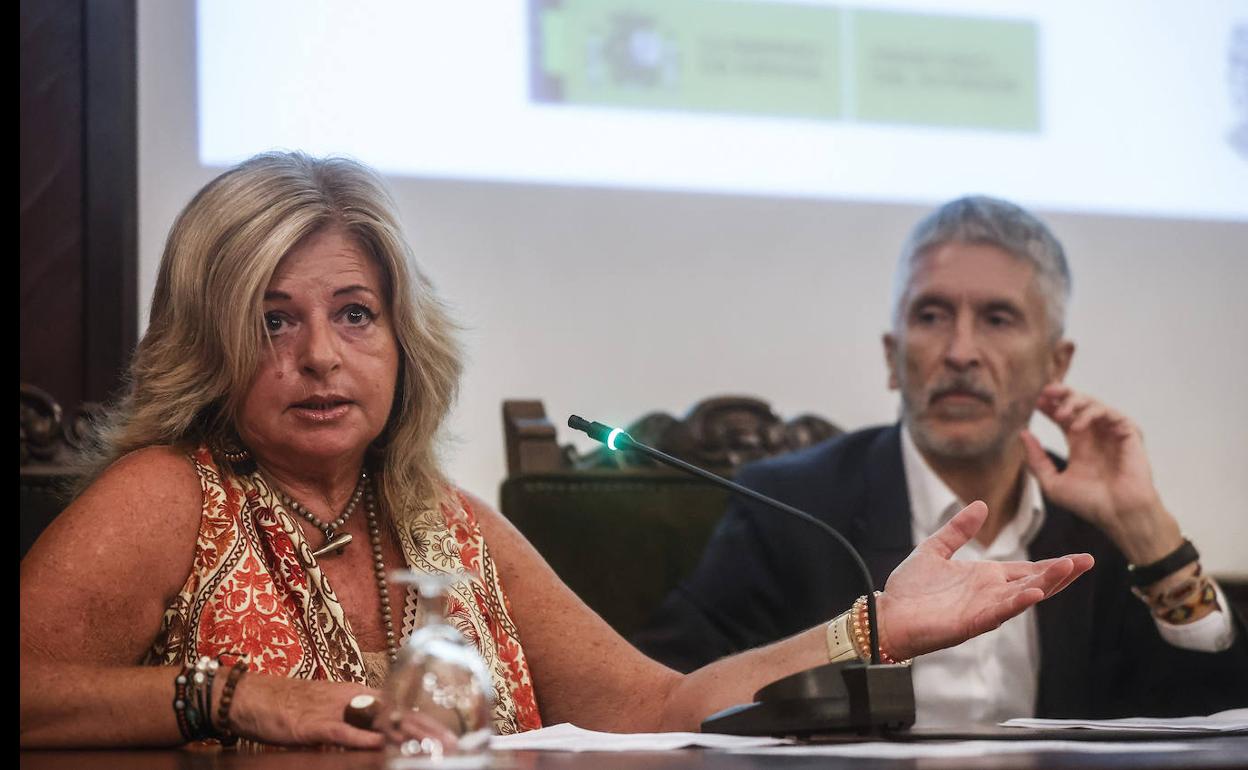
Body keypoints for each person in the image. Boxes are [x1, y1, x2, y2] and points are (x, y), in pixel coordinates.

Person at [19, 157, 1093, 750]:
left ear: (403, 338)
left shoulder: (444, 517)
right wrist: (235, 694)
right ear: (211, 338)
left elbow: (664, 708)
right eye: (272, 319)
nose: (319, 357)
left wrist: (875, 626)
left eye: (354, 313)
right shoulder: (168, 496)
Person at [633, 196, 1248, 725]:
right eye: (931, 316)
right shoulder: (791, 507)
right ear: (891, 356)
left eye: (997, 318)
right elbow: (673, 700)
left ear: (1055, 365)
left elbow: (1212, 716)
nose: (960, 351)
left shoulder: (1095, 525)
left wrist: (1150, 534)